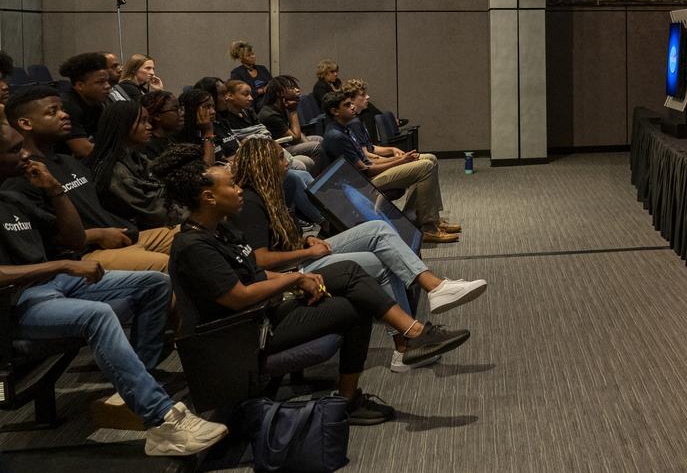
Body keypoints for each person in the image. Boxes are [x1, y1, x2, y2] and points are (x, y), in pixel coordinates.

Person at [155, 143, 471, 426]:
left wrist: (301, 277)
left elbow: (253, 272)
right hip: (236, 336)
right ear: (209, 197)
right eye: (230, 186)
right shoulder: (193, 246)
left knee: (351, 284)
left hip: (260, 315)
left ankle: (386, 360)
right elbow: (238, 296)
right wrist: (294, 276)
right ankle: (410, 336)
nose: (238, 189)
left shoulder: (219, 231)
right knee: (353, 292)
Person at [0, 123, 227, 456]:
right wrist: (62, 265)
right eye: (14, 150)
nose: (26, 154)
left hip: (51, 285)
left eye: (23, 146)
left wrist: (55, 191)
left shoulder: (13, 194)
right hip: (14, 304)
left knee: (154, 284)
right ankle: (162, 422)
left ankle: (136, 385)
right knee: (99, 314)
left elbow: (75, 240)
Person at [231, 138, 487, 372]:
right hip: (288, 275)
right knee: (379, 259)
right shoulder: (252, 203)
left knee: (377, 230)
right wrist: (307, 250)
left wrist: (305, 239)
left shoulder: (274, 191)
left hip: (301, 256)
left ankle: (422, 314)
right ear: (262, 164)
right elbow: (260, 259)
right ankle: (410, 337)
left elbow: (282, 238)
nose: (286, 161)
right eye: (278, 158)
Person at [5, 86, 174, 272]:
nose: (64, 115)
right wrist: (97, 235)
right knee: (164, 263)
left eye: (63, 109)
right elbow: (47, 238)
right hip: (86, 252)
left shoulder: (70, 162)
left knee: (191, 237)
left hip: (122, 236)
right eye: (53, 112)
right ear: (26, 123)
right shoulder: (25, 175)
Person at [321, 92, 458, 244]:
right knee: (425, 167)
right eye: (347, 105)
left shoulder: (345, 128)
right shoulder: (336, 136)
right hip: (363, 183)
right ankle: (428, 228)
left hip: (369, 174)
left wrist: (399, 158)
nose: (352, 107)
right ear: (335, 111)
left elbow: (367, 160)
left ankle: (423, 219)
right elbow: (365, 170)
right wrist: (400, 161)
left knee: (430, 158)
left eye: (351, 103)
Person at [85, 100, 170, 230]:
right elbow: (153, 214)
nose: (149, 126)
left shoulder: (135, 156)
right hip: (137, 230)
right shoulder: (117, 172)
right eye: (142, 121)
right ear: (123, 126)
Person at [258, 76, 327, 171]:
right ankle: (317, 180)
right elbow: (295, 139)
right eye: (292, 88)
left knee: (318, 139)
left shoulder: (282, 106)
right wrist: (293, 111)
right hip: (277, 149)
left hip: (287, 143)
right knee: (316, 147)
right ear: (279, 92)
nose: (297, 90)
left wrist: (308, 143)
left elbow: (293, 131)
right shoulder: (270, 114)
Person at [58, 52, 113, 158]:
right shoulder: (68, 106)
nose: (107, 86)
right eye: (100, 82)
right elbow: (83, 150)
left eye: (107, 81)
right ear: (80, 85)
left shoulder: (97, 104)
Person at [140, 90, 181, 159]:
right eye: (175, 109)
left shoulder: (172, 138)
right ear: (157, 116)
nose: (181, 113)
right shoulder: (148, 148)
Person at [228, 40, 272, 104]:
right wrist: (261, 91)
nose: (253, 57)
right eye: (248, 55)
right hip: (250, 103)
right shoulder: (236, 73)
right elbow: (238, 93)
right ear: (241, 58)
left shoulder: (262, 68)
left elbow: (272, 83)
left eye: (252, 54)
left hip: (268, 99)